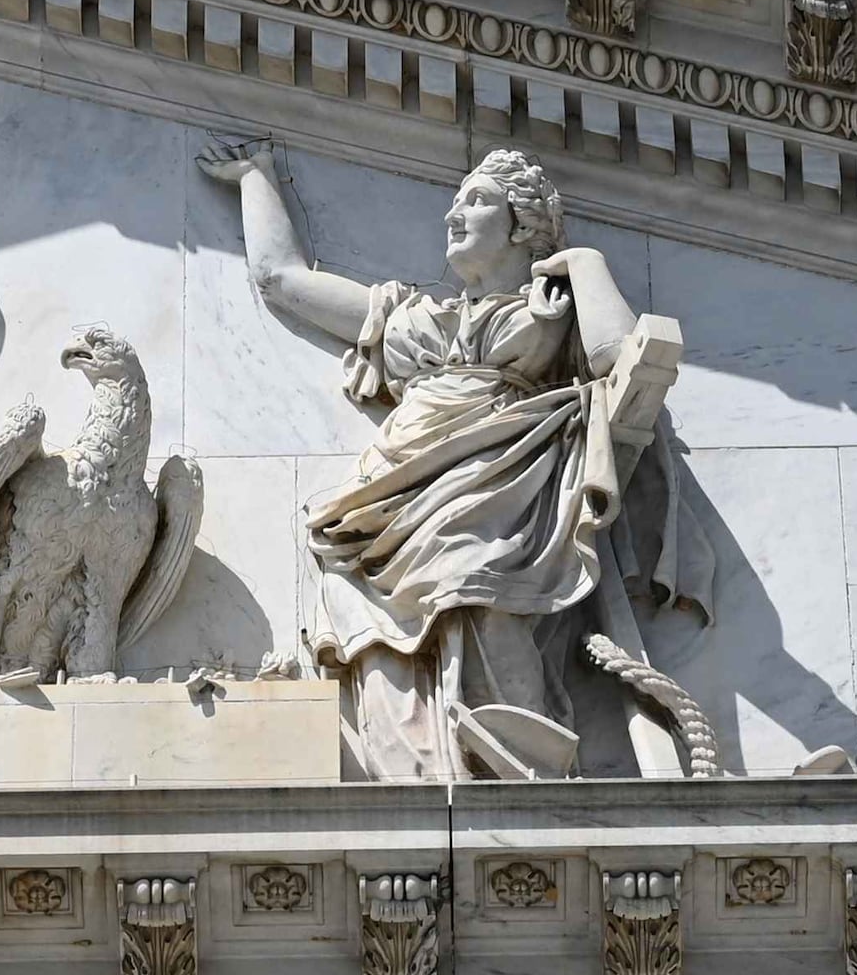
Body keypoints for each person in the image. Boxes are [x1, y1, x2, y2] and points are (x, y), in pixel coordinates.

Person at [201, 139, 712, 781]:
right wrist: (256, 176)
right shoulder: (412, 317)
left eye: (476, 200)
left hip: (496, 487)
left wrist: (582, 261)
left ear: (521, 223)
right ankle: (413, 775)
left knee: (481, 588)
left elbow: (618, 355)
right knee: (369, 623)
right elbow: (282, 280)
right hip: (392, 497)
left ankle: (514, 774)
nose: (453, 214)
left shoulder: (550, 310)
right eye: (455, 200)